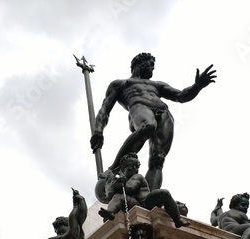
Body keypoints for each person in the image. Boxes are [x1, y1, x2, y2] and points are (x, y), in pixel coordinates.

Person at [91, 52, 216, 192]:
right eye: (151, 65)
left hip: (164, 114)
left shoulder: (157, 85)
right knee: (148, 125)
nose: (152, 69)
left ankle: (148, 197)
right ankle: (113, 169)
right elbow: (105, 109)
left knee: (158, 158)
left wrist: (197, 86)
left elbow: (181, 96)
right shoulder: (121, 84)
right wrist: (98, 130)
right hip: (139, 108)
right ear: (140, 64)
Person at [98, 152, 190, 228]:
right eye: (132, 166)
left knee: (163, 192)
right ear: (123, 167)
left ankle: (177, 219)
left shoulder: (137, 176)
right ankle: (110, 212)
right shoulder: (121, 179)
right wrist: (114, 184)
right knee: (117, 197)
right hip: (136, 204)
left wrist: (119, 184)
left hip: (147, 202)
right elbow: (110, 195)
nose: (135, 168)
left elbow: (130, 188)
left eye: (137, 166)